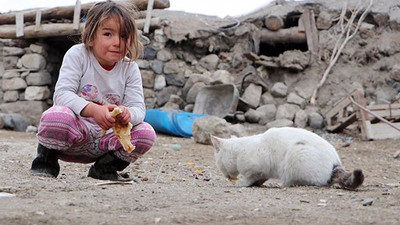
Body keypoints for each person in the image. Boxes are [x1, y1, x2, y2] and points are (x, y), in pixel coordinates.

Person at [30, 0, 156, 181]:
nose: (117, 42)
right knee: (56, 116)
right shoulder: (78, 55)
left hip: (106, 142)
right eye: (108, 34)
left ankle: (104, 169)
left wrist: (128, 114)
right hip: (74, 135)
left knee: (146, 133)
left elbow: (139, 109)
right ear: (90, 37)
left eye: (124, 36)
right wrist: (94, 110)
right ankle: (45, 164)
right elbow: (62, 95)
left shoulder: (130, 68)